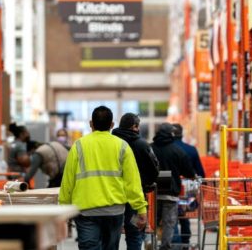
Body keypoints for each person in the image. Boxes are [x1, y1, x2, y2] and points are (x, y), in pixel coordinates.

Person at [59, 106, 148, 250]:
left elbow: (67, 180)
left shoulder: (78, 146)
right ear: (112, 125)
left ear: (91, 124)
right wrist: (141, 209)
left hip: (85, 210)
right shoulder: (122, 146)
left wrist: (63, 208)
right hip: (114, 212)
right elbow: (132, 182)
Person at [113, 113, 160, 250]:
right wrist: (147, 183)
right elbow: (154, 168)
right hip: (135, 197)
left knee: (112, 234)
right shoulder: (141, 145)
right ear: (134, 127)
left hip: (113, 195)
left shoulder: (113, 143)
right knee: (134, 233)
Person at [151, 123, 197, 250]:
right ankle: (165, 247)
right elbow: (189, 172)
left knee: (152, 222)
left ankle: (150, 245)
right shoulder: (177, 150)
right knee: (169, 223)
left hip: (153, 193)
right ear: (170, 134)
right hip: (170, 193)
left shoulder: (150, 148)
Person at [171, 124, 204, 246]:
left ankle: (176, 242)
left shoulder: (167, 149)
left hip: (171, 189)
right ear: (182, 134)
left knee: (171, 214)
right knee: (184, 214)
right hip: (188, 190)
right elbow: (200, 172)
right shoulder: (191, 149)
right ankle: (186, 240)